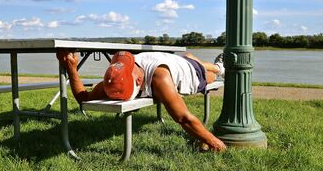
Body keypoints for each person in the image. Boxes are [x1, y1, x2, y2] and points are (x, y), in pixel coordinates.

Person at [56, 49, 227, 152]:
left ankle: (219, 68)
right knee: (198, 65)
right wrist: (72, 69)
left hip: (185, 67)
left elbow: (184, 118)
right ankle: (218, 68)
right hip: (184, 67)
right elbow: (83, 98)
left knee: (199, 66)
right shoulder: (116, 81)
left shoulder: (154, 78)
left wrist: (215, 144)